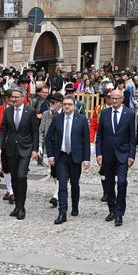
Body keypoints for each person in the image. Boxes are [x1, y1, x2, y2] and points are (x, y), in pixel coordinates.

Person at [45, 95, 90, 224]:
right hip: (61, 156)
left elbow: (86, 141)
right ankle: (62, 212)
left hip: (75, 157)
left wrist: (86, 159)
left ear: (74, 105)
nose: (67, 106)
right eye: (65, 104)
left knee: (74, 184)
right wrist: (51, 155)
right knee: (62, 184)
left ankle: (75, 206)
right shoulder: (57, 119)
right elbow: (49, 137)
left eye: (69, 104)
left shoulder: (81, 119)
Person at [0, 87, 39, 220]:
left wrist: (35, 149)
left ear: (22, 98)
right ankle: (17, 206)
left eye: (15, 97)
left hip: (25, 148)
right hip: (11, 148)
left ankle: (22, 206)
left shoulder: (30, 111)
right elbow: (3, 129)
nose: (12, 99)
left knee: (21, 176)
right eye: (12, 97)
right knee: (14, 177)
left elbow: (35, 132)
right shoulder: (8, 111)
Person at [95, 89, 136, 226]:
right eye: (112, 98)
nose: (113, 101)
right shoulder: (105, 113)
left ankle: (119, 212)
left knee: (122, 182)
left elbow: (132, 137)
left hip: (123, 154)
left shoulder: (129, 114)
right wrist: (98, 153)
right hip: (107, 154)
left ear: (122, 99)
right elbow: (99, 136)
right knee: (109, 183)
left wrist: (131, 155)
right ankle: (112, 209)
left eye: (116, 98)